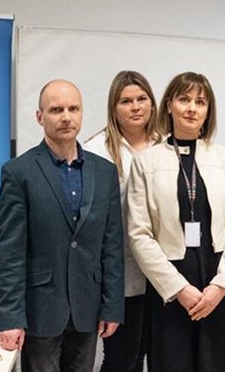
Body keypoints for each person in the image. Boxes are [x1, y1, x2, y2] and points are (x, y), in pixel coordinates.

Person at [0, 79, 124, 372]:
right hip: (40, 311)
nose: (66, 117)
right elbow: (10, 252)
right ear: (40, 117)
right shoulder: (19, 172)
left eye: (73, 109)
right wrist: (11, 318)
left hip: (88, 308)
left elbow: (112, 246)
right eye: (56, 110)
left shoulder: (105, 173)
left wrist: (112, 305)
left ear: (82, 113)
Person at [127, 72, 225, 372]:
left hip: (218, 282)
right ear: (170, 105)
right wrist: (178, 289)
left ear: (208, 111)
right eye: (184, 100)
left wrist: (221, 285)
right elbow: (139, 234)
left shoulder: (224, 158)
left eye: (200, 102)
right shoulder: (146, 161)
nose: (192, 108)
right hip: (171, 285)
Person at [85, 70, 160, 372]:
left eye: (142, 99)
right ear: (113, 107)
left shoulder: (166, 145)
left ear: (152, 103)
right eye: (126, 101)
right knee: (123, 358)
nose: (136, 107)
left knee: (158, 355)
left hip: (163, 272)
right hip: (121, 274)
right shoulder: (95, 150)